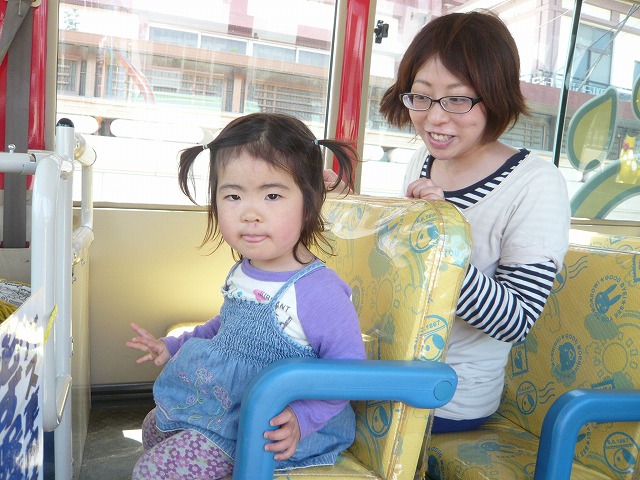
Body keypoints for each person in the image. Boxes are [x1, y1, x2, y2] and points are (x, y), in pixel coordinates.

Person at [326, 10, 570, 433]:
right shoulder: (422, 161)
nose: (435, 118)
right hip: (389, 367)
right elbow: (396, 268)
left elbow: (516, 320)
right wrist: (345, 208)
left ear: (495, 96)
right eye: (421, 97)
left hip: (446, 395)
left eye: (457, 100)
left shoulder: (535, 182)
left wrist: (440, 241)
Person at [126, 112, 366, 479]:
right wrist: (172, 345)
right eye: (234, 195)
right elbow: (225, 326)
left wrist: (303, 418)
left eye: (272, 195)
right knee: (153, 426)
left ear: (309, 202)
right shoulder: (245, 269)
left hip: (275, 428)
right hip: (232, 407)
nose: (250, 213)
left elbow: (348, 372)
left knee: (152, 472)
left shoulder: (318, 292)